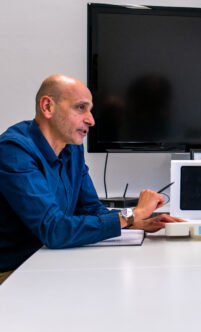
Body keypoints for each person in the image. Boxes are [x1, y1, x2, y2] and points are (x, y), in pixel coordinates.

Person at [0, 74, 182, 282]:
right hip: (13, 273)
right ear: (48, 107)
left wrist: (138, 222)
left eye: (90, 110)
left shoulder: (72, 150)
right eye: (80, 108)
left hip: (48, 262)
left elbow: (91, 209)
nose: (91, 120)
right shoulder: (14, 151)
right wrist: (133, 213)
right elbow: (54, 230)